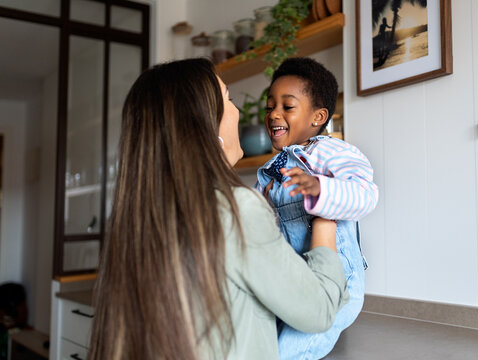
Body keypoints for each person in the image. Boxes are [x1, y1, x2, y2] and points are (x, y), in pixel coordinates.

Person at [87, 58, 350, 360]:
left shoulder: (142, 216)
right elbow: (318, 310)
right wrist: (326, 212)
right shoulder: (234, 209)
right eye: (228, 99)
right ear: (203, 124)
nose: (238, 111)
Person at [256, 57, 379, 360]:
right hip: (293, 282)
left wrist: (320, 188)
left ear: (317, 116)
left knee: (291, 350)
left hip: (338, 285)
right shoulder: (271, 169)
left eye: (287, 106)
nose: (274, 114)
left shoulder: (332, 151)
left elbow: (366, 195)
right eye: (270, 106)